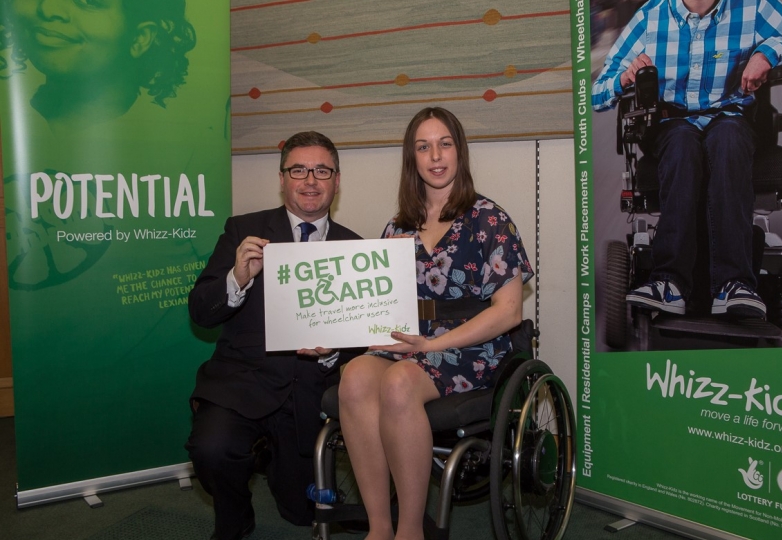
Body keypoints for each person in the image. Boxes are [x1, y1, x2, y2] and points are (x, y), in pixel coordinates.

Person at [337, 107, 534, 540]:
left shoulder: (489, 220)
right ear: (412, 158)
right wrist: (325, 335)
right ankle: (378, 526)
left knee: (399, 382)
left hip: (474, 346)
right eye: (423, 147)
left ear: (459, 151)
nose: (436, 156)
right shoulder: (397, 227)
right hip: (410, 339)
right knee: (353, 377)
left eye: (445, 144)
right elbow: (375, 305)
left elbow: (508, 312)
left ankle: (411, 530)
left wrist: (429, 347)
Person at [592, 0, 782, 319]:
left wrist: (768, 54)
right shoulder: (650, 17)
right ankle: (669, 282)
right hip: (672, 122)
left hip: (732, 117)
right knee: (682, 144)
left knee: (727, 139)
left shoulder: (753, 8)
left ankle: (735, 284)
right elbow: (598, 93)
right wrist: (624, 78)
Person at [186, 131, 363, 540]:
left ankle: (269, 459)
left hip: (309, 395)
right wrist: (237, 277)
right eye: (298, 170)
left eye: (322, 171)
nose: (310, 180)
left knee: (303, 514)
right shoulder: (243, 231)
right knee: (212, 450)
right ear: (282, 179)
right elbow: (200, 311)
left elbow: (364, 340)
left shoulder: (355, 248)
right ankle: (236, 515)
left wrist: (333, 352)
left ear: (337, 181)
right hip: (244, 381)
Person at [0, 0, 195, 134]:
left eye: (89, 1)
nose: (48, 8)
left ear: (139, 38)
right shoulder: (12, 124)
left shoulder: (189, 151)